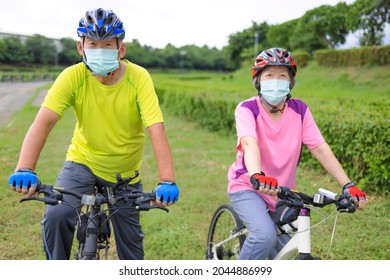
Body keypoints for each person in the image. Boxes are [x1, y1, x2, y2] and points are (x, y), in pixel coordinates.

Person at [7, 8, 179, 260]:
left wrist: (168, 180)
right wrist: (25, 168)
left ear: (121, 49)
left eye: (107, 44)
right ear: (81, 48)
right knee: (56, 216)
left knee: (131, 249)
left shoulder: (139, 78)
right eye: (93, 44)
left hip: (124, 171)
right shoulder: (72, 76)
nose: (100, 50)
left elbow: (156, 129)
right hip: (82, 162)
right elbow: (43, 122)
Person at [227, 47, 367, 260]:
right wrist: (257, 174)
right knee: (264, 237)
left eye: (282, 75)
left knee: (282, 249)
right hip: (249, 186)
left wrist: (347, 184)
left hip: (283, 191)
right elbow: (249, 143)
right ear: (258, 81)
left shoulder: (300, 110)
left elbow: (320, 148)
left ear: (290, 81)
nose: (276, 80)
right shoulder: (247, 109)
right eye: (269, 75)